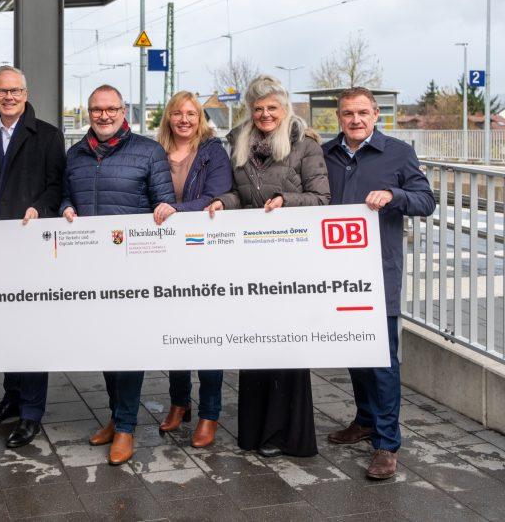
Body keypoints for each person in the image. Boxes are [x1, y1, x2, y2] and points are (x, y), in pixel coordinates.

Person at [207, 74, 330, 458]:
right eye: (257, 108)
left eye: (271, 107)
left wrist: (284, 200)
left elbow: (322, 198)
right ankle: (255, 432)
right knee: (254, 343)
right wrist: (221, 204)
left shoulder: (304, 144)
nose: (264, 114)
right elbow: (234, 192)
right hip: (250, 259)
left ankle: (283, 433)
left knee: (286, 346)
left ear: (284, 108)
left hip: (291, 259)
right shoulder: (237, 142)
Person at [323, 87, 435, 480]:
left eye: (363, 113)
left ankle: (387, 444)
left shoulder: (398, 152)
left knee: (383, 360)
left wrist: (394, 194)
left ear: (376, 116)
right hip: (335, 273)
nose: (356, 120)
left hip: (378, 275)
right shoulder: (326, 154)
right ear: (339, 117)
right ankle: (366, 420)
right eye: (348, 113)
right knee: (354, 353)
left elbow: (426, 201)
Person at [62, 84, 175, 465]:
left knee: (127, 346)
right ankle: (115, 417)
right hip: (90, 269)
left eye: (111, 109)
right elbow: (65, 195)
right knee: (105, 346)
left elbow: (165, 202)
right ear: (88, 112)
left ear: (123, 110)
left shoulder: (148, 151)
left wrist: (163, 210)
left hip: (133, 269)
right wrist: (65, 208)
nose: (104, 116)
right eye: (97, 110)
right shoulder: (75, 155)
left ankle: (126, 428)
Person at [0, 65, 66, 449]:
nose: (9, 97)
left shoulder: (49, 136)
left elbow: (57, 185)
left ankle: (31, 412)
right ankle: (11, 398)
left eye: (15, 90)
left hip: (29, 244)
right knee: (4, 325)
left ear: (26, 92)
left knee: (31, 328)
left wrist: (39, 208)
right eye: (2, 91)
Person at [152, 91, 233, 447]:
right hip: (165, 255)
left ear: (200, 118)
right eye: (177, 114)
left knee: (207, 334)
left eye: (191, 114)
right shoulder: (156, 152)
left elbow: (216, 195)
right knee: (173, 331)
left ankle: (210, 413)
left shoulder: (213, 151)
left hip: (204, 254)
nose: (184, 120)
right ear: (168, 118)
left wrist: (175, 210)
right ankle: (179, 402)